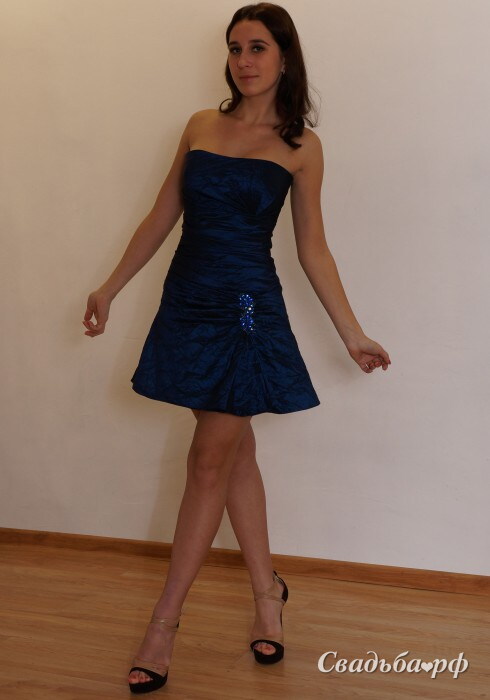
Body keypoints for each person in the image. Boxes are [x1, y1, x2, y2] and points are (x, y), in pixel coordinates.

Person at [83, 2, 391, 694]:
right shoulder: (200, 125)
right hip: (187, 304)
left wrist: (352, 333)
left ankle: (163, 625)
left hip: (248, 313)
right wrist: (110, 287)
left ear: (284, 56)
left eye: (257, 47)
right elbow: (163, 214)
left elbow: (313, 248)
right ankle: (266, 595)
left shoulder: (301, 146)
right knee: (236, 455)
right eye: (235, 48)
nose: (244, 60)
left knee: (207, 461)